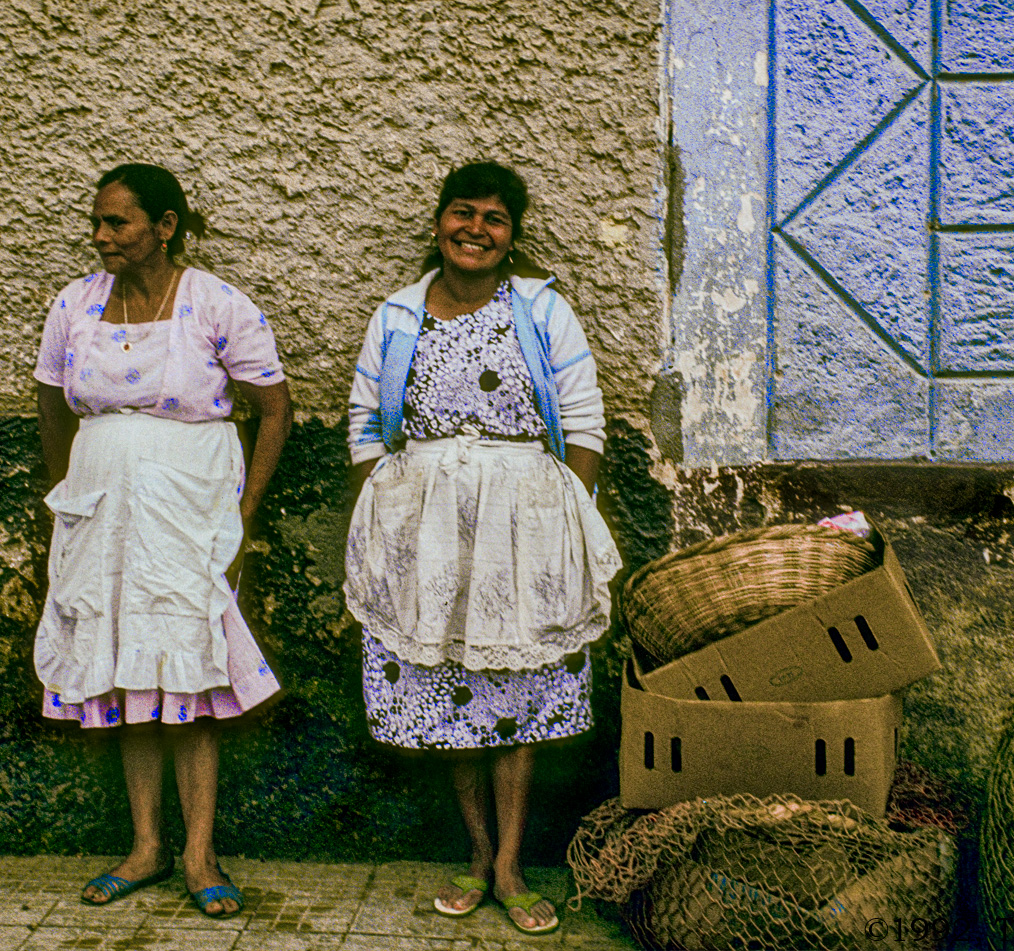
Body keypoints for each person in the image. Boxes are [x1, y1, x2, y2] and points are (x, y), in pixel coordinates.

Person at [344, 162, 621, 935]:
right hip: (425, 533)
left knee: (518, 696)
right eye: (461, 213)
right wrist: (392, 523)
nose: (475, 229)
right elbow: (367, 425)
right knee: (447, 693)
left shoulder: (541, 310)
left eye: (493, 219)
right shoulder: (398, 316)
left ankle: (510, 865)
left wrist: (565, 523)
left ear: (512, 235)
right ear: (437, 224)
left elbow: (585, 421)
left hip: (522, 530)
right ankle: (474, 852)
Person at [33, 163, 292, 919]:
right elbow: (52, 405)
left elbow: (274, 409)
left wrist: (242, 516)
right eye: (99, 222)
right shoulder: (74, 305)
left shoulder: (216, 303)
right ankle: (145, 846)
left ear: (165, 226)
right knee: (122, 671)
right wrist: (68, 496)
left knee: (191, 673)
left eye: (119, 223)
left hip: (190, 507)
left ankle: (198, 853)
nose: (102, 236)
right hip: (100, 510)